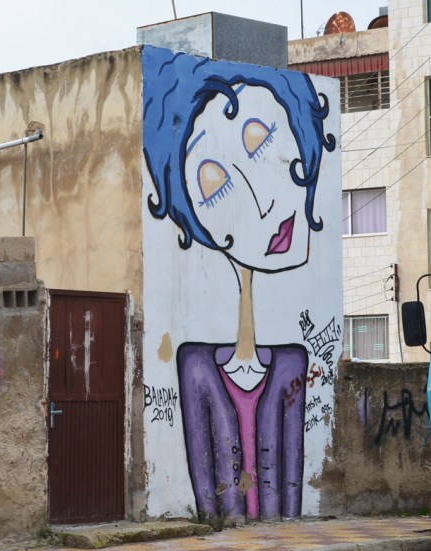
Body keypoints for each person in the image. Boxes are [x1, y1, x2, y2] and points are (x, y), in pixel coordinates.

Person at [142, 46, 336, 521]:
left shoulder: (292, 363)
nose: (264, 204)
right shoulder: (195, 368)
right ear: (194, 219)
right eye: (215, 186)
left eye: (260, 140)